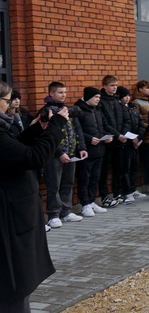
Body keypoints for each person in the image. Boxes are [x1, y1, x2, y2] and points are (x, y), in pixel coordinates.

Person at [0, 81, 70, 313]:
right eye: (7, 100)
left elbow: (15, 149)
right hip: (8, 220)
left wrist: (37, 129)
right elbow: (33, 158)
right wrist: (56, 126)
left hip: (15, 214)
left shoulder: (3, 127)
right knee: (13, 284)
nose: (11, 106)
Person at [37, 81, 87, 228]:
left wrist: (81, 147)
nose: (63, 95)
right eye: (60, 92)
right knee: (54, 185)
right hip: (54, 156)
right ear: (51, 93)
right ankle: (53, 214)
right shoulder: (46, 112)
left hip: (71, 153)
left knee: (68, 183)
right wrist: (59, 153)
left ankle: (66, 211)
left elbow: (77, 130)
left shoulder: (67, 110)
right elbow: (45, 135)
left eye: (65, 92)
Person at [76, 87, 112, 216]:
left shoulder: (97, 110)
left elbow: (103, 126)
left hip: (99, 150)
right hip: (86, 151)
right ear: (88, 97)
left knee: (95, 178)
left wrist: (107, 136)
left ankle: (91, 201)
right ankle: (84, 204)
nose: (98, 100)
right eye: (96, 97)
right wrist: (89, 139)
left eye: (99, 97)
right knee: (84, 178)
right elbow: (76, 130)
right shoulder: (79, 110)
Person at [98, 75, 130, 207]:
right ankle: (104, 196)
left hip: (120, 140)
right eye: (112, 85)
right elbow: (104, 122)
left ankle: (118, 193)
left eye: (116, 85)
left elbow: (126, 118)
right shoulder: (101, 101)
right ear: (104, 86)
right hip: (109, 141)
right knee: (104, 171)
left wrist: (123, 133)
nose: (115, 88)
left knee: (119, 168)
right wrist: (117, 135)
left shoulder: (117, 100)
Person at [116, 86, 146, 203]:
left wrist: (138, 137)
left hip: (135, 142)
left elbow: (140, 123)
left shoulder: (133, 108)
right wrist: (130, 138)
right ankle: (127, 191)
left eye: (128, 96)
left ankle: (133, 189)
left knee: (134, 167)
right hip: (126, 143)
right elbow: (122, 126)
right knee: (125, 169)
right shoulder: (120, 109)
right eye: (125, 96)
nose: (127, 98)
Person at [132, 79, 149, 194]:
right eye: (147, 88)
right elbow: (137, 119)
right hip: (146, 136)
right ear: (140, 89)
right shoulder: (136, 103)